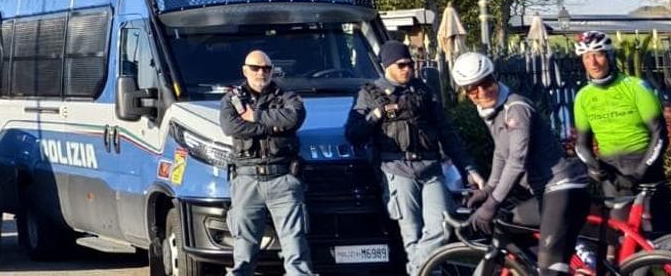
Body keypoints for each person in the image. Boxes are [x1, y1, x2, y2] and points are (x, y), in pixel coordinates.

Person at [347, 40, 482, 273]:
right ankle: (429, 271)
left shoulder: (423, 90)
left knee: (442, 227)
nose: (407, 69)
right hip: (397, 169)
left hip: (430, 167)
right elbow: (353, 134)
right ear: (387, 65)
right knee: (411, 234)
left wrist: (468, 169)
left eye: (410, 64)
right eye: (401, 65)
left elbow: (446, 132)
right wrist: (377, 114)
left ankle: (417, 270)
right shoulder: (370, 93)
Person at [453, 50, 589, 276]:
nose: (482, 92)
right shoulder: (491, 112)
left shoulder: (516, 108)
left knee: (549, 271)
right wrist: (488, 189)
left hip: (561, 187)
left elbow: (516, 160)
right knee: (508, 224)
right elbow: (500, 153)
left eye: (486, 83)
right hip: (545, 192)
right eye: (473, 89)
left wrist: (492, 203)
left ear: (494, 78)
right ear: (466, 93)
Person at [220, 50, 315, 276]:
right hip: (247, 179)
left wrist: (255, 117)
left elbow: (294, 117)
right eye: (255, 68)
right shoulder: (231, 98)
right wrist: (272, 125)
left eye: (266, 68)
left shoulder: (286, 96)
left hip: (283, 178)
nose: (261, 72)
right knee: (243, 249)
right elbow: (231, 127)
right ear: (245, 70)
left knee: (295, 247)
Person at [571, 31, 669, 233]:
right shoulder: (583, 97)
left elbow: (659, 135)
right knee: (619, 236)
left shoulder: (635, 87)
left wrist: (639, 173)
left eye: (598, 55)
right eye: (587, 57)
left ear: (609, 56)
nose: (593, 62)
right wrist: (594, 166)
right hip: (612, 173)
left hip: (644, 166)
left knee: (655, 234)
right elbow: (581, 143)